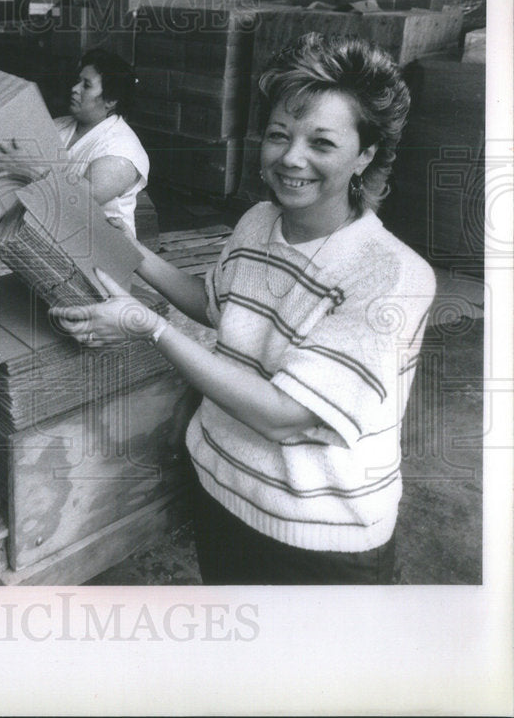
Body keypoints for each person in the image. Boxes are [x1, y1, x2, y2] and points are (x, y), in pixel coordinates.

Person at [50, 33, 436, 585]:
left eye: (322, 144)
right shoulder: (259, 221)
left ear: (367, 154)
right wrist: (130, 253)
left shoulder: (392, 276)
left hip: (315, 540)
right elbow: (216, 307)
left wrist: (147, 324)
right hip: (221, 496)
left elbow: (283, 416)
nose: (292, 158)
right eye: (279, 135)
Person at [0, 48, 149, 235]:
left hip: (98, 252)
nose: (75, 89)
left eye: (86, 85)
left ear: (111, 100)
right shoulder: (60, 125)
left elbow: (77, 204)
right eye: (77, 81)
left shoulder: (121, 151)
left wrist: (28, 167)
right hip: (48, 237)